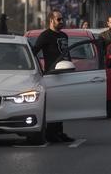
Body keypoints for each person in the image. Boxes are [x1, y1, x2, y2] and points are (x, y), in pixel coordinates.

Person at [31, 10, 74, 142]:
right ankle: (51, 133)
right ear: (51, 20)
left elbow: (66, 53)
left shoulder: (64, 35)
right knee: (54, 104)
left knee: (62, 103)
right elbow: (34, 52)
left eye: (62, 19)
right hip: (52, 74)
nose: (62, 22)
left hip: (65, 72)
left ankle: (59, 132)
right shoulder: (45, 36)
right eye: (59, 19)